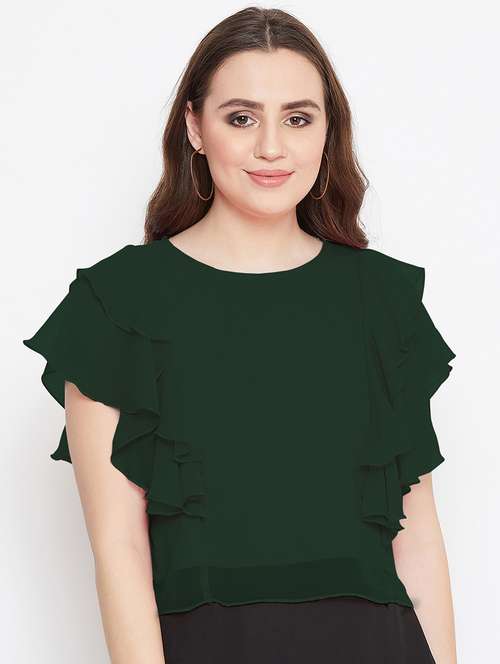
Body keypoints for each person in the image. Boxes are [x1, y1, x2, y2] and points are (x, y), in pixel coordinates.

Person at [22, 6, 458, 663]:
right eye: (242, 118)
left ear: (328, 132)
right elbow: (119, 550)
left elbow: (417, 540)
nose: (271, 148)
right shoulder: (117, 305)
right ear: (195, 127)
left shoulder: (382, 301)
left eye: (298, 118)